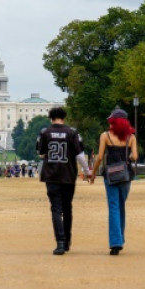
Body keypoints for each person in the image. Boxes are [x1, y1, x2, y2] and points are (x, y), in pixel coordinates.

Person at [36, 107, 91, 255]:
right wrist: (87, 172)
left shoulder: (45, 132)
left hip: (52, 175)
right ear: (64, 117)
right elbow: (80, 155)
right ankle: (67, 241)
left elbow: (40, 152)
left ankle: (60, 242)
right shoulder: (72, 132)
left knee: (56, 209)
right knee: (67, 208)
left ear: (51, 118)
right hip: (68, 175)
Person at [89, 108, 138, 255]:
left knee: (113, 207)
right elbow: (135, 156)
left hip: (110, 174)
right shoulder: (131, 137)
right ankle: (120, 239)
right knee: (121, 206)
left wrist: (93, 173)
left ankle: (116, 243)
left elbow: (99, 157)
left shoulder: (105, 136)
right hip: (125, 175)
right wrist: (127, 158)